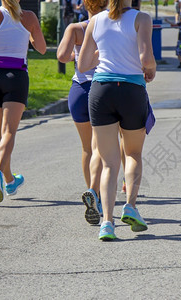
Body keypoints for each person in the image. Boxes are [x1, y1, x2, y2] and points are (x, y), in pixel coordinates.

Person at [78, 0, 156, 240]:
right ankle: (130, 206)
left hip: (101, 90)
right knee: (132, 154)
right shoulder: (141, 19)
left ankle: (107, 223)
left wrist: (103, 57)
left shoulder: (96, 20)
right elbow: (146, 59)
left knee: (108, 162)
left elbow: (82, 65)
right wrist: (151, 70)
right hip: (131, 89)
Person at [0, 0, 46, 203]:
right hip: (16, 76)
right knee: (9, 132)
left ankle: (9, 180)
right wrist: (30, 34)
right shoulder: (29, 17)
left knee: (0, 133)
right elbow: (41, 48)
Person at [57, 0, 108, 225]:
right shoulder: (109, 25)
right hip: (103, 88)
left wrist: (77, 57)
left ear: (84, 5)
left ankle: (92, 193)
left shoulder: (76, 29)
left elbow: (61, 55)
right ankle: (97, 193)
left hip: (79, 90)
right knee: (103, 149)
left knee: (87, 148)